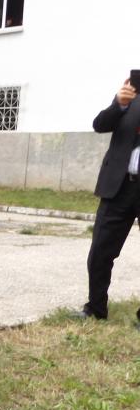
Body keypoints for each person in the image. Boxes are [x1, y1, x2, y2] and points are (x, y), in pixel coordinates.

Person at [76, 78, 140, 322]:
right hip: (119, 187)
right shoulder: (130, 99)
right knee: (101, 251)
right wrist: (119, 103)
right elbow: (100, 125)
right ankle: (95, 308)